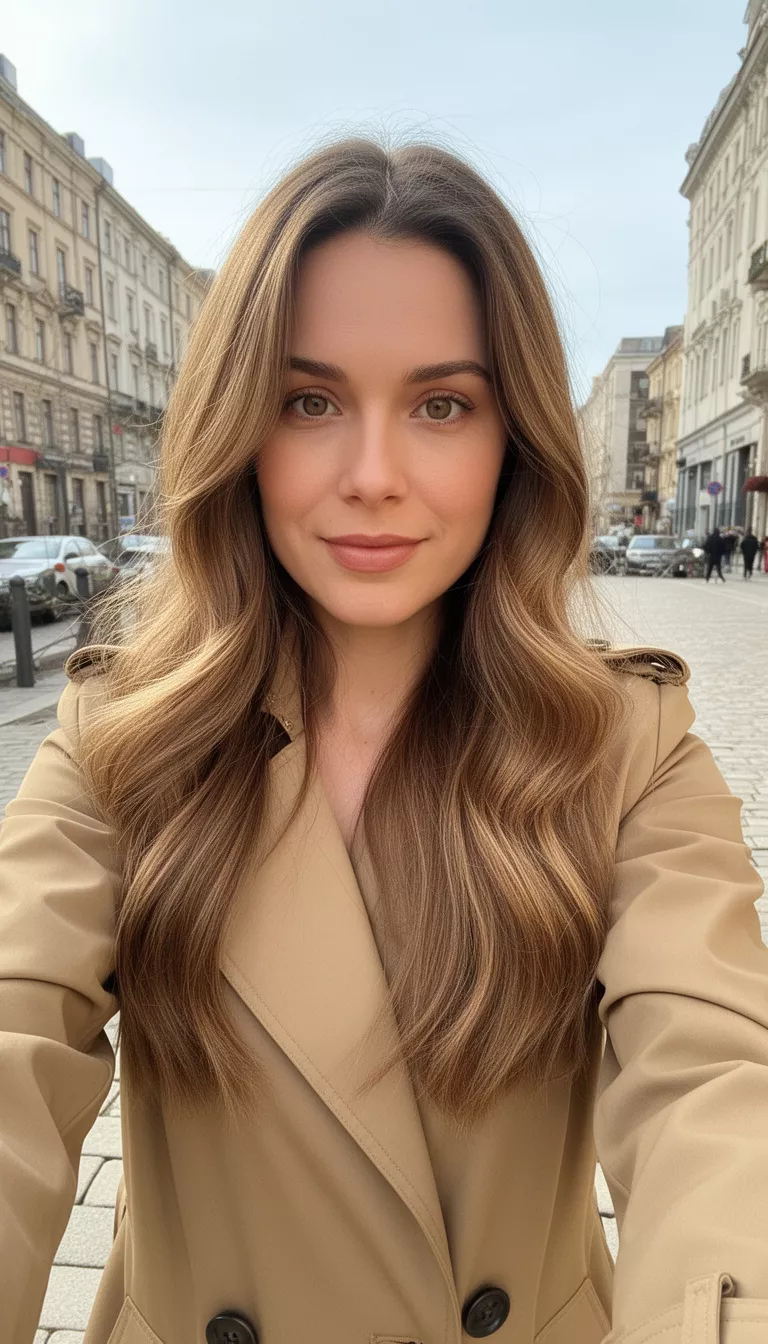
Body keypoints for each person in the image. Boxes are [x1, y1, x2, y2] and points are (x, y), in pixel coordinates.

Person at [2, 139, 768, 1344]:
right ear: (237, 433)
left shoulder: (626, 743)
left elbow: (718, 1088)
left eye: (441, 404)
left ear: (511, 438)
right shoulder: (120, 740)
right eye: (309, 402)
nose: (372, 476)